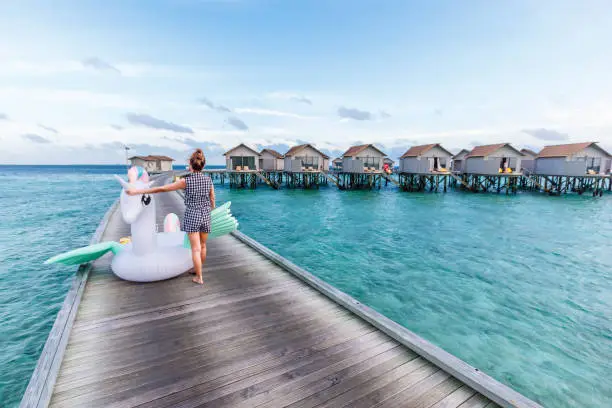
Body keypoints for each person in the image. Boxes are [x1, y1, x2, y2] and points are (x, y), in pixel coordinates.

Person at [127, 149, 215, 284]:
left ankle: (199, 277)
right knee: (203, 246)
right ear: (203, 166)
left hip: (193, 215)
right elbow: (212, 199)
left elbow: (161, 189)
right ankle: (196, 269)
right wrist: (210, 208)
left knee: (195, 248)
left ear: (190, 165)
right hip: (205, 215)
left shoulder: (186, 181)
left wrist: (137, 192)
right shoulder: (208, 180)